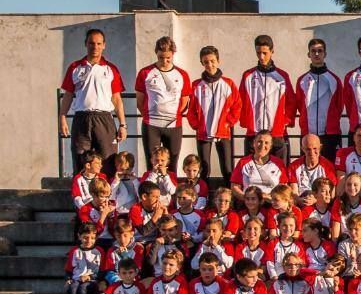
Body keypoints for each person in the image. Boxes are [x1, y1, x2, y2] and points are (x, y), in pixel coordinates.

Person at [59, 28, 127, 176]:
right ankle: (81, 197)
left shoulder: (111, 69)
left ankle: (107, 197)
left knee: (108, 160)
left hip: (104, 119)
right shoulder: (75, 67)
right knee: (80, 159)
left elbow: (117, 99)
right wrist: (62, 117)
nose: (95, 47)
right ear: (86, 44)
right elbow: (68, 95)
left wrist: (122, 125)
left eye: (98, 43)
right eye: (91, 43)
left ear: (104, 45)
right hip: (81, 118)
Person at [134, 35, 191, 169]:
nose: (164, 61)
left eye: (168, 58)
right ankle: (151, 190)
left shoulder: (182, 74)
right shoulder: (145, 73)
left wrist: (172, 115)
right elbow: (140, 101)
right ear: (156, 53)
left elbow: (184, 102)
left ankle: (171, 190)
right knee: (152, 164)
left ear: (173, 55)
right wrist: (149, 116)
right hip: (151, 125)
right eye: (160, 57)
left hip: (173, 125)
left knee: (172, 165)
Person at [237, 34, 297, 162]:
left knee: (280, 171)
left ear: (272, 51)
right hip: (254, 133)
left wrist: (285, 121)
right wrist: (245, 121)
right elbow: (239, 100)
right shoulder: (248, 75)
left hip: (277, 133)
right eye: (258, 53)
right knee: (251, 170)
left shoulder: (282, 76)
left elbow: (291, 101)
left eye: (265, 53)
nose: (261, 57)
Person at [188, 46, 239, 186]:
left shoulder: (228, 84)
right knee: (203, 169)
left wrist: (229, 122)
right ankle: (202, 198)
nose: (209, 65)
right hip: (203, 132)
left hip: (223, 132)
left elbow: (237, 105)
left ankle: (230, 199)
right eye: (206, 62)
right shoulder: (196, 85)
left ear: (218, 61)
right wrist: (196, 125)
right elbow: (191, 110)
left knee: (227, 168)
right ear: (202, 63)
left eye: (212, 61)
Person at [296, 37, 344, 155]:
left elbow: (340, 105)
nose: (316, 54)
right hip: (308, 133)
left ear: (325, 54)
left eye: (320, 51)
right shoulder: (302, 80)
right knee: (308, 168)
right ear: (309, 54)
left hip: (330, 134)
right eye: (313, 51)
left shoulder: (334, 79)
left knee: (330, 169)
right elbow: (298, 104)